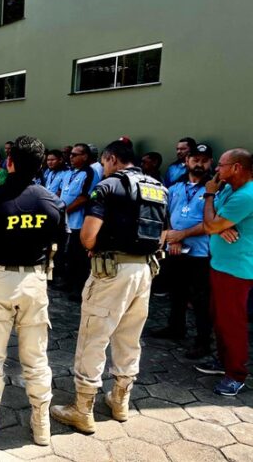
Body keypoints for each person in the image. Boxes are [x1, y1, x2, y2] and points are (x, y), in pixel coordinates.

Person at [50, 140, 167, 433]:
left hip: (111, 271)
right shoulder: (158, 188)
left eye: (103, 163)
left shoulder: (107, 187)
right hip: (145, 271)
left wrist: (96, 246)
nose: (102, 168)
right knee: (129, 338)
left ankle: (82, 408)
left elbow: (88, 237)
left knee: (94, 336)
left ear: (112, 159)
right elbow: (163, 234)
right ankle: (120, 401)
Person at [0, 135, 65, 448]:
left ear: (10, 162)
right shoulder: (52, 201)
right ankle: (42, 426)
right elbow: (62, 244)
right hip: (35, 282)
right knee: (36, 358)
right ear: (42, 163)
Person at [198, 148, 253, 396]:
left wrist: (209, 194)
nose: (216, 170)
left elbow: (210, 221)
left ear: (237, 167)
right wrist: (220, 228)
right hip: (220, 264)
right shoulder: (230, 188)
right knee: (218, 316)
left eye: (221, 165)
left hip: (237, 268)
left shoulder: (246, 195)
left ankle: (236, 374)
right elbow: (215, 220)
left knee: (232, 322)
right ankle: (223, 361)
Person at [152, 144, 213, 359]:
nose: (200, 164)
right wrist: (171, 234)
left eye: (204, 160)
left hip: (200, 253)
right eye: (195, 159)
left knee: (200, 299)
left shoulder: (214, 188)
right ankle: (175, 328)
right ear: (187, 162)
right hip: (175, 249)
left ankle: (203, 341)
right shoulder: (176, 187)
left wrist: (183, 234)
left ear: (210, 163)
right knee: (177, 291)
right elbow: (166, 213)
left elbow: (212, 222)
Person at [59, 144, 96, 300]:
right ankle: (67, 282)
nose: (71, 157)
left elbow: (84, 197)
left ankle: (78, 288)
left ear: (85, 157)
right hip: (65, 221)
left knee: (78, 257)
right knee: (68, 254)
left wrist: (65, 210)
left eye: (75, 154)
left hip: (78, 222)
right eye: (71, 154)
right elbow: (61, 191)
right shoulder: (69, 173)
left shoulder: (90, 173)